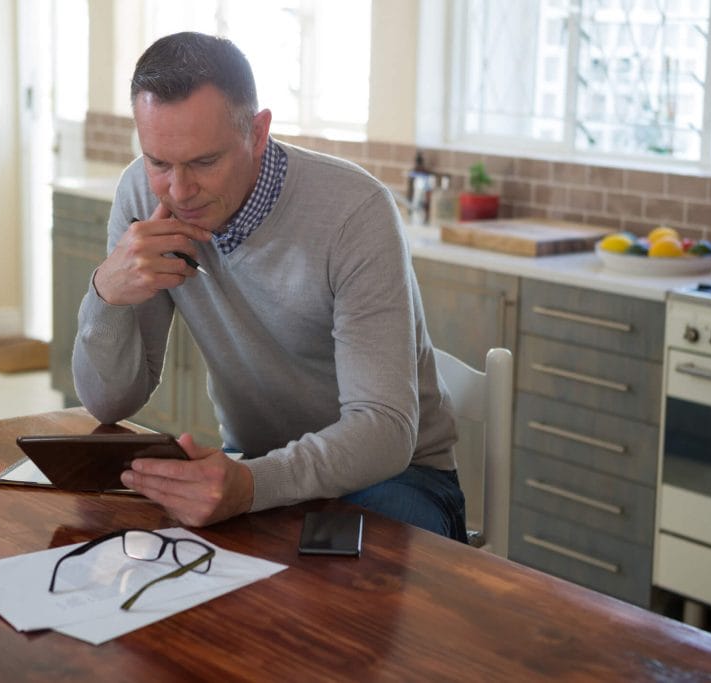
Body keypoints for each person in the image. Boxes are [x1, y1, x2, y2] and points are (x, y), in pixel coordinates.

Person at [72, 31, 465, 541]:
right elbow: (110, 404)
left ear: (257, 133)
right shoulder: (140, 198)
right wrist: (105, 292)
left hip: (397, 480)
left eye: (205, 162)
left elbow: (385, 431)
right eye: (159, 162)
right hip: (259, 473)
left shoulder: (355, 212)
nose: (179, 190)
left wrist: (250, 485)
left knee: (338, 605)